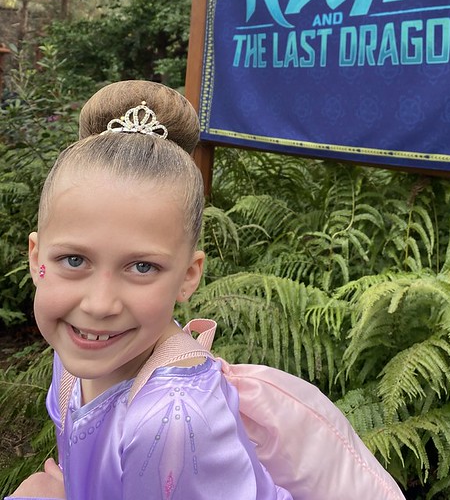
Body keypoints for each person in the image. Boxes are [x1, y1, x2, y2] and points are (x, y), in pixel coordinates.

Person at [7, 80, 293, 500]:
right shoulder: (81, 350)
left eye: (142, 267)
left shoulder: (172, 418)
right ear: (37, 259)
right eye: (74, 260)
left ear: (188, 276)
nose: (99, 305)